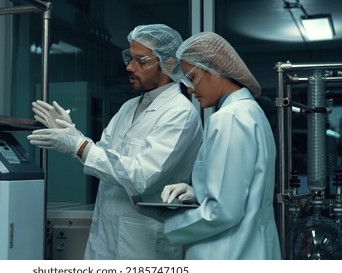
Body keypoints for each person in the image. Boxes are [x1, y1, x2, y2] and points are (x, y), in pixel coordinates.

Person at [27, 24, 203, 260]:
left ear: (169, 64)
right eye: (129, 58)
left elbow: (142, 177)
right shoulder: (129, 107)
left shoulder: (180, 112)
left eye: (141, 61)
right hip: (104, 238)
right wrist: (72, 134)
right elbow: (105, 158)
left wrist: (79, 145)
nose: (129, 66)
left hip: (144, 246)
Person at [149, 31, 281, 259]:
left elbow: (223, 212)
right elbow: (241, 190)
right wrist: (195, 193)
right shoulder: (251, 112)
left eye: (192, 77)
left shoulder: (229, 118)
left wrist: (167, 226)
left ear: (216, 68)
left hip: (228, 252)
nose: (189, 88)